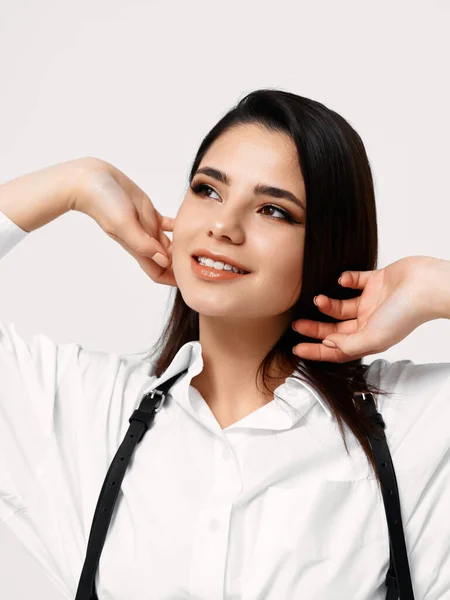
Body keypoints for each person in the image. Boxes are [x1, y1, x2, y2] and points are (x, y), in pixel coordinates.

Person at [0, 89, 449, 599]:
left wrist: (436, 288)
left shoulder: (411, 427)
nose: (222, 226)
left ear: (328, 241)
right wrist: (75, 183)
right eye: (207, 190)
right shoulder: (91, 413)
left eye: (273, 211)